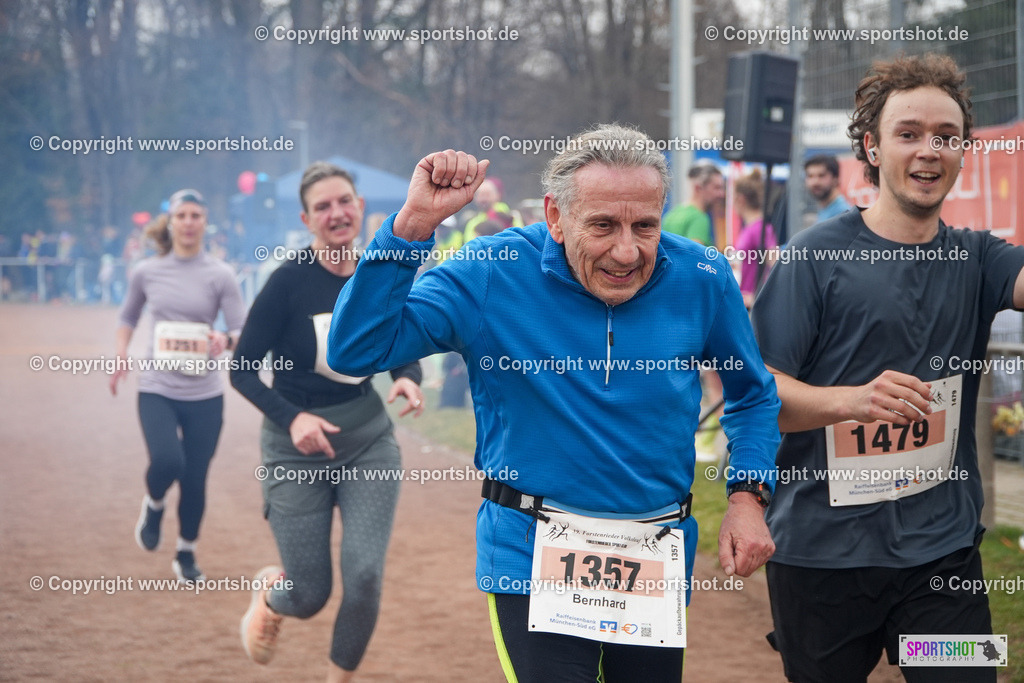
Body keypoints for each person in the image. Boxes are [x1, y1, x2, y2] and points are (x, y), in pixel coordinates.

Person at [325, 125, 781, 681]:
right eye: (603, 226)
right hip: (531, 551)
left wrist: (748, 497)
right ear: (556, 217)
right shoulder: (491, 271)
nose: (627, 250)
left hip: (656, 555)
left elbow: (754, 393)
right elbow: (355, 350)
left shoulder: (702, 275)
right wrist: (412, 227)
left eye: (645, 226)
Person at [751, 53, 1024, 683]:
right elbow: (758, 394)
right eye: (909, 134)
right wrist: (850, 402)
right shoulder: (810, 258)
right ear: (871, 147)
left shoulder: (979, 257)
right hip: (821, 558)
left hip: (943, 560)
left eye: (946, 138)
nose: (929, 151)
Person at [230, 161, 424, 682]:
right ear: (306, 218)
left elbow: (401, 336)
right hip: (295, 448)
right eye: (323, 207)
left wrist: (407, 376)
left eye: (344, 201)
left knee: (363, 577)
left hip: (367, 441)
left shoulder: (377, 274)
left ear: (360, 208)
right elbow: (242, 371)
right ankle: (272, 597)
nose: (336, 213)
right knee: (309, 595)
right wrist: (293, 421)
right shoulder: (287, 282)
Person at [110, 189, 245, 583]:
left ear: (205, 223)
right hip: (157, 388)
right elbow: (127, 317)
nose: (188, 222)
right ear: (170, 221)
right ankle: (153, 504)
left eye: (196, 216)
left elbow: (240, 327)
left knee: (194, 477)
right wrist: (121, 353)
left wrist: (225, 340)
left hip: (205, 394)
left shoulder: (220, 274)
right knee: (169, 461)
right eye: (181, 215)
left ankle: (186, 552)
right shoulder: (147, 272)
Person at [732, 168, 778, 308]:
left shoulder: (760, 228)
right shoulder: (751, 228)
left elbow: (777, 264)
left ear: (740, 199)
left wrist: (758, 296)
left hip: (752, 305)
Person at [661, 161, 726, 246]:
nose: (722, 194)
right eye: (716, 188)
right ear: (698, 188)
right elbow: (695, 256)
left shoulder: (671, 215)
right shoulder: (699, 218)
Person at [804, 154, 852, 223]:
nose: (815, 182)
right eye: (810, 176)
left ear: (835, 179)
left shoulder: (842, 214)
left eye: (821, 175)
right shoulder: (825, 209)